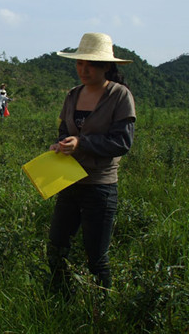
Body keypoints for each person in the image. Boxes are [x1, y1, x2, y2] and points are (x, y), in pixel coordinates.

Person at [46, 32, 136, 297]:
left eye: (91, 64)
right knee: (57, 247)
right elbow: (65, 131)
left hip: (100, 186)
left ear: (107, 66)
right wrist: (61, 144)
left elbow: (121, 143)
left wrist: (81, 143)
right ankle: (60, 297)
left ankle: (102, 307)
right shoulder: (73, 95)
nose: (84, 70)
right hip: (69, 180)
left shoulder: (119, 96)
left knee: (96, 256)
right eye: (80, 63)